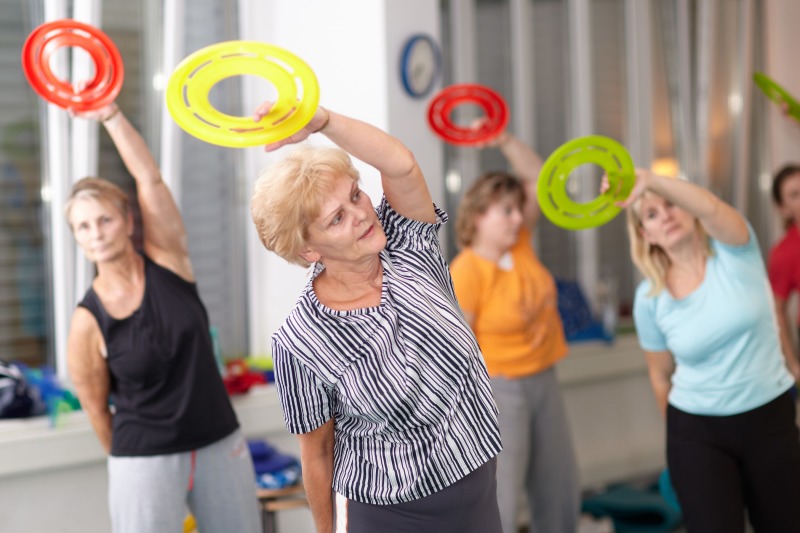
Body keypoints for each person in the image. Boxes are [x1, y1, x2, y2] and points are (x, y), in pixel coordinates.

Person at [249, 103, 503, 533]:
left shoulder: (406, 246)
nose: (362, 213)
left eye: (355, 194)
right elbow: (318, 454)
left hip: (477, 483)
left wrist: (324, 122)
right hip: (389, 512)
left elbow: (401, 166)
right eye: (337, 219)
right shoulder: (300, 339)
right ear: (309, 250)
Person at [65, 101, 261, 533]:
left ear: (128, 220)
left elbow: (148, 178)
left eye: (104, 220)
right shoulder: (86, 321)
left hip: (218, 440)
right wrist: (132, 463)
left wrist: (110, 116)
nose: (95, 233)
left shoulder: (170, 261)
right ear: (76, 237)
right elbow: (97, 410)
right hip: (143, 457)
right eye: (83, 226)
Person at [621, 168, 800, 532]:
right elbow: (660, 375)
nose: (666, 215)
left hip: (770, 419)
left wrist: (651, 182)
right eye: (652, 214)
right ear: (646, 235)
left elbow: (714, 209)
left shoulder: (737, 250)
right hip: (698, 432)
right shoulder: (649, 299)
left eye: (672, 203)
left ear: (689, 207)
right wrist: (677, 443)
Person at [449, 130, 580, 533]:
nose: (518, 219)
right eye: (505, 211)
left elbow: (540, 179)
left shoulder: (518, 244)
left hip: (544, 377)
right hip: (499, 388)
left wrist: (503, 139)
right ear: (476, 216)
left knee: (559, 487)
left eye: (517, 210)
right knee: (502, 496)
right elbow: (459, 354)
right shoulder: (466, 272)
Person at [767, 164, 800, 380]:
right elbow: (777, 311)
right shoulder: (784, 253)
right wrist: (794, 365)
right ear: (784, 208)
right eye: (795, 194)